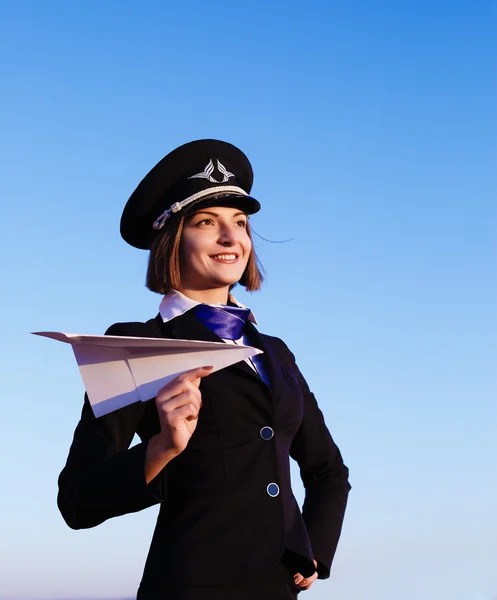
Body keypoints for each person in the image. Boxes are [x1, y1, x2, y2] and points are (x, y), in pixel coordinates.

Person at [58, 139, 351, 600]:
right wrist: (161, 447)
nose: (231, 238)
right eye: (206, 223)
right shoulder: (133, 345)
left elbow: (329, 469)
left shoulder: (275, 351)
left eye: (241, 224)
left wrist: (314, 547)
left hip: (277, 590)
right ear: (172, 239)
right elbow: (77, 500)